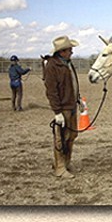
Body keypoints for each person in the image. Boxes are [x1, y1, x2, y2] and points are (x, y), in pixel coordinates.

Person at [44, 35, 82, 179]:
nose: (72, 52)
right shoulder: (52, 66)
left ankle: (66, 162)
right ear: (62, 52)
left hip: (72, 105)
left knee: (72, 135)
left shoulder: (68, 63)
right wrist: (57, 112)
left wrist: (79, 99)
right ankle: (59, 167)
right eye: (69, 50)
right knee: (61, 138)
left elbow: (73, 84)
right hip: (63, 108)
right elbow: (51, 91)